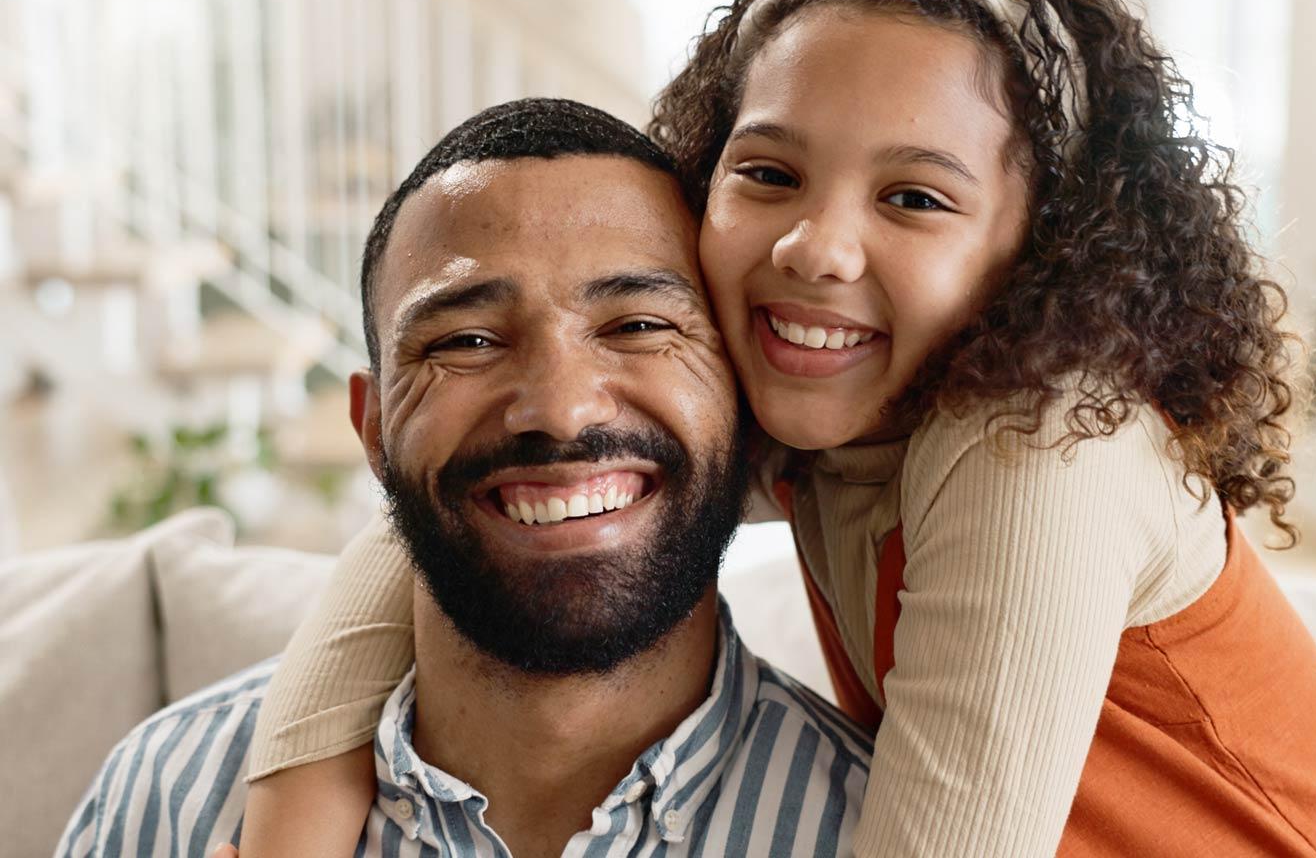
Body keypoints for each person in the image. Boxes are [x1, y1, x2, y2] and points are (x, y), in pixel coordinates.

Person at [234, 0, 1316, 856]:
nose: (817, 246)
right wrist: (298, 804)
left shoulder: (1041, 442)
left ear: (1041, 249)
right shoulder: (845, 408)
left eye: (914, 197)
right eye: (767, 171)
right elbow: (488, 492)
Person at [54, 99, 873, 858]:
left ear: (744, 403)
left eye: (638, 326)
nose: (559, 410)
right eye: (467, 342)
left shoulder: (869, 825)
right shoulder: (161, 801)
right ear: (373, 429)